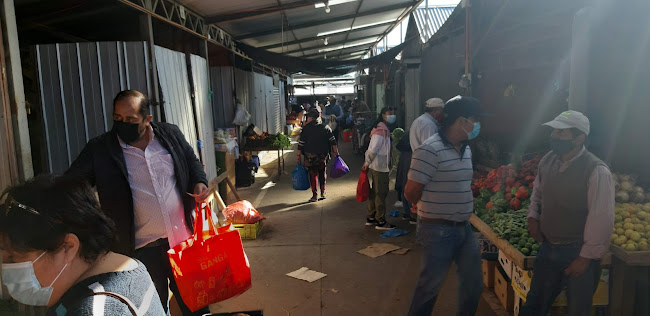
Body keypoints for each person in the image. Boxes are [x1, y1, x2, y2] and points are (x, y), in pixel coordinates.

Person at [65, 89, 210, 315]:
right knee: (152, 309)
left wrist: (199, 182)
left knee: (198, 306)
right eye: (117, 118)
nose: (123, 124)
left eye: (131, 119)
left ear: (147, 119)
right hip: (141, 251)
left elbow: (192, 163)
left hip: (182, 243)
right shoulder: (100, 149)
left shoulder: (170, 135)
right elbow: (73, 184)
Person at [0, 175, 165, 315]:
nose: (6, 269)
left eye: (14, 258)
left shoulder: (93, 310)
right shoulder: (130, 268)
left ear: (68, 247)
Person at [520, 111, 614, 316]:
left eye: (561, 133)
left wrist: (585, 258)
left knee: (577, 310)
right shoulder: (548, 160)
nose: (554, 136)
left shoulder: (596, 171)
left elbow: (601, 218)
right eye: (554, 131)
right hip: (548, 248)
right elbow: (537, 192)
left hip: (577, 251)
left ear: (579, 138)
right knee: (534, 305)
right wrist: (533, 216)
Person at [405, 96, 486, 316]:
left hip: (464, 228)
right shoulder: (429, 150)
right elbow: (411, 192)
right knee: (429, 288)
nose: (478, 124)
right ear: (461, 121)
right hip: (437, 230)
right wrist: (428, 206)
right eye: (474, 119)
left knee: (474, 284)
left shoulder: (466, 149)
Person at [364, 106, 397, 230]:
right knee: (380, 193)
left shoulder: (382, 129)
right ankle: (381, 221)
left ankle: (371, 217)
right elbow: (373, 149)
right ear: (383, 115)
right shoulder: (381, 131)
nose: (392, 115)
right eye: (390, 113)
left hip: (377, 165)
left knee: (375, 192)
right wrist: (367, 162)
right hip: (379, 167)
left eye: (393, 113)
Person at [297, 109, 339, 202]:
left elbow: (301, 143)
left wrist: (298, 155)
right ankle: (323, 193)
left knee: (313, 175)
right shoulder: (325, 127)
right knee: (322, 173)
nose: (307, 119)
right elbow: (333, 141)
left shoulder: (306, 128)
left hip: (310, 157)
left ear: (311, 118)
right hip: (322, 156)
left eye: (308, 117)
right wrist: (336, 152)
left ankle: (314, 195)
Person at [395, 131, 416, 224]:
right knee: (412, 186)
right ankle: (412, 215)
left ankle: (406, 212)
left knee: (404, 185)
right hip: (411, 160)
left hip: (404, 161)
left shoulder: (408, 135)